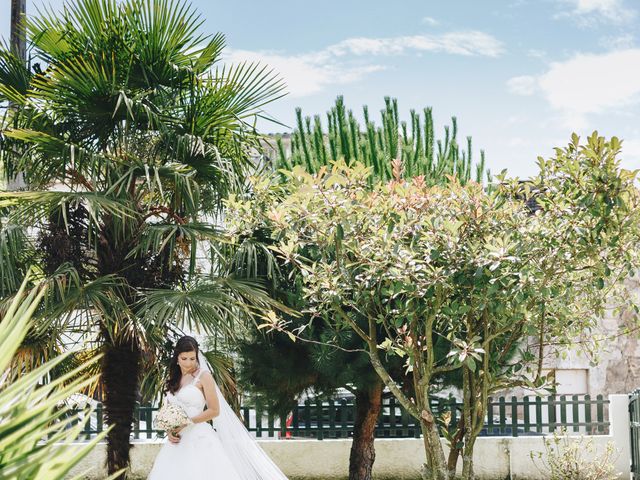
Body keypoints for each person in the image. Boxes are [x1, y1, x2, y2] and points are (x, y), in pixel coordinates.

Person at [147, 336, 288, 479]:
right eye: (184, 359)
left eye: (192, 358)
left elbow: (214, 410)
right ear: (177, 357)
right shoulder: (174, 378)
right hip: (178, 440)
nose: (189, 363)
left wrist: (186, 422)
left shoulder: (204, 376)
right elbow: (172, 408)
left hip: (198, 437)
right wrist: (171, 430)